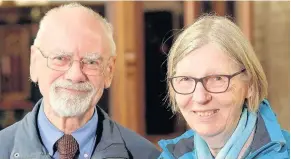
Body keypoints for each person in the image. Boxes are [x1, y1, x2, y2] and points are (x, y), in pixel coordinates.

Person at [0, 3, 160, 159]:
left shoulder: (147, 155)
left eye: (91, 62)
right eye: (60, 58)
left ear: (109, 71)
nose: (75, 75)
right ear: (34, 63)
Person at [158, 15, 290, 159]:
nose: (200, 97)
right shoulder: (172, 155)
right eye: (186, 79)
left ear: (250, 85)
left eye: (217, 78)